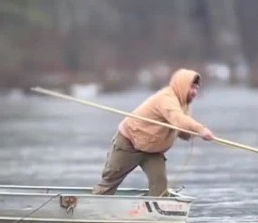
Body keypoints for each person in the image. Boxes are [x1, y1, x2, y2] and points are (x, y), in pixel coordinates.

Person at [92, 68, 216, 197]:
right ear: (182, 85)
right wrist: (201, 129)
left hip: (153, 151)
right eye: (191, 87)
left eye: (197, 89)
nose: (194, 92)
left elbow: (182, 130)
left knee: (160, 187)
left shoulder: (183, 106)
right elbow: (178, 120)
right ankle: (91, 206)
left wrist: (192, 134)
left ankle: (157, 214)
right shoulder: (166, 99)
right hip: (129, 143)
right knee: (109, 181)